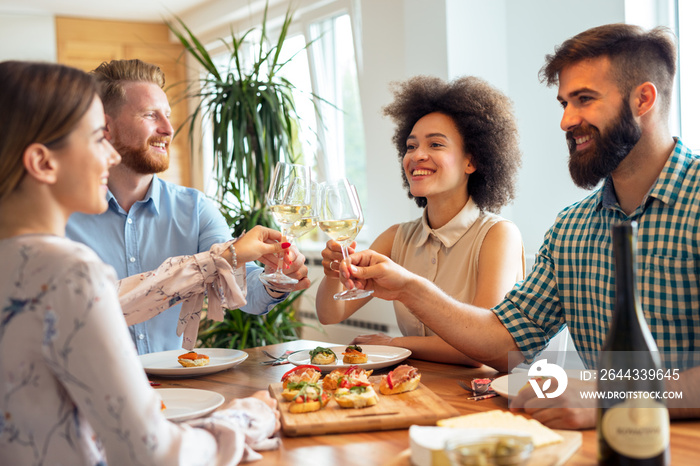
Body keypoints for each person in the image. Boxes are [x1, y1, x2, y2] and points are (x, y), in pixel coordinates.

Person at [337, 24, 700, 428]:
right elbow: (502, 339)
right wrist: (409, 288)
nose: (565, 120)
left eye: (584, 100)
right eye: (563, 102)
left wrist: (610, 397)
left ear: (643, 99)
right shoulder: (572, 229)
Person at [0, 60, 282, 464]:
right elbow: (153, 454)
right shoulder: (70, 270)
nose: (109, 154)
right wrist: (247, 417)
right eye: (98, 137)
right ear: (43, 162)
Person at [66, 59, 310, 354]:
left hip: (179, 392)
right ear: (106, 127)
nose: (168, 129)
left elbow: (242, 291)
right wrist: (226, 256)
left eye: (167, 115)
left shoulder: (194, 208)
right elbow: (89, 310)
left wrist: (276, 279)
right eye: (150, 115)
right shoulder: (62, 216)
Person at [316, 76, 524, 365]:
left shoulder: (499, 236)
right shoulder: (396, 238)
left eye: (436, 144)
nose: (417, 156)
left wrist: (394, 345)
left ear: (471, 161)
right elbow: (330, 314)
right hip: (421, 387)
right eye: (411, 146)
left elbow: (482, 349)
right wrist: (332, 272)